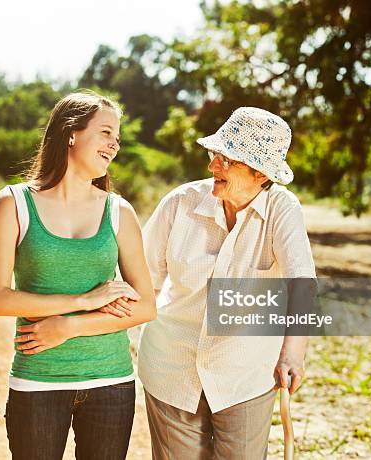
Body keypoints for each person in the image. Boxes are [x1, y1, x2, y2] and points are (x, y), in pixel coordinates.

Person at [0, 91, 156, 460]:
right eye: (106, 133)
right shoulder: (13, 202)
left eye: (118, 138)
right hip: (38, 378)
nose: (115, 144)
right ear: (71, 132)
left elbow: (146, 308)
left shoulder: (119, 211)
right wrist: (81, 302)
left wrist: (69, 325)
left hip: (112, 382)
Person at [138, 107, 317, 459]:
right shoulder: (179, 204)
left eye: (226, 159)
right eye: (213, 156)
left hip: (246, 371)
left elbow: (301, 284)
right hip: (172, 365)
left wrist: (292, 353)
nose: (212, 167)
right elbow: (143, 280)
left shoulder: (282, 209)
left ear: (259, 172)